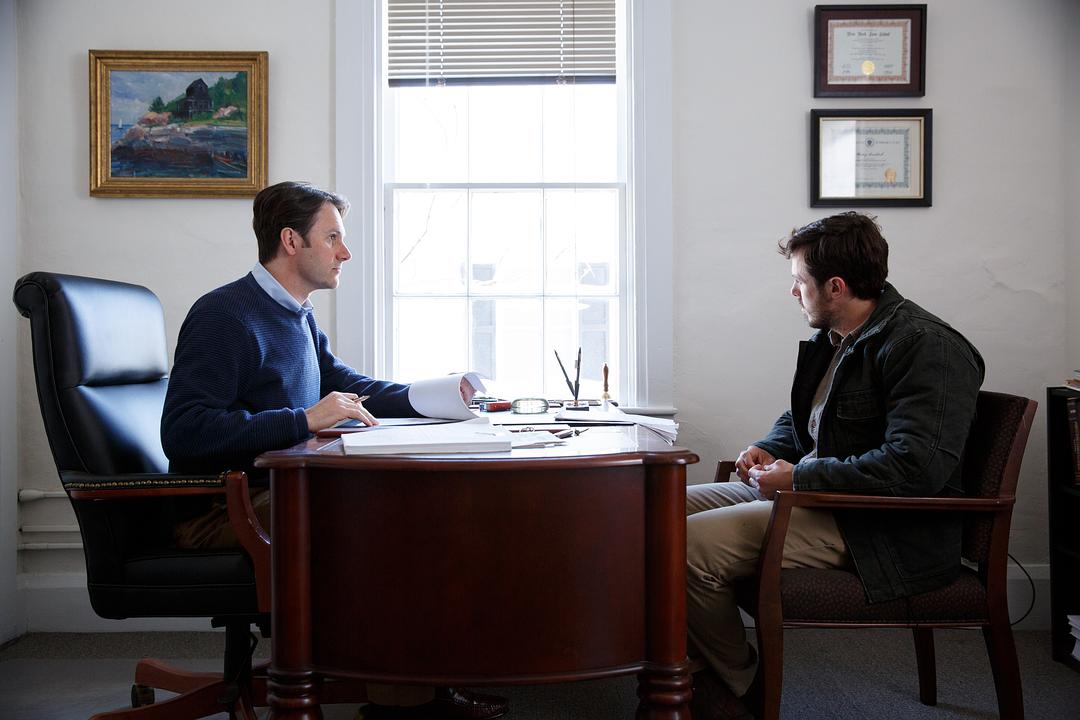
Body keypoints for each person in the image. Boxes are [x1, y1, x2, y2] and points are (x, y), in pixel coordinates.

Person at [161, 180, 507, 720]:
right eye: (332, 238)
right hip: (223, 505)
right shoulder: (224, 315)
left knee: (424, 505)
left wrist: (441, 396)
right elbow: (185, 432)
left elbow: (345, 386)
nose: (345, 252)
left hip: (281, 488)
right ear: (291, 241)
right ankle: (402, 705)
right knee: (387, 520)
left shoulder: (295, 311)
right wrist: (302, 419)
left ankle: (424, 682)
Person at [685, 212, 984, 720]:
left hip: (880, 528)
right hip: (822, 498)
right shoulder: (838, 337)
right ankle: (689, 667)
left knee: (688, 547)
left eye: (799, 281)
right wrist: (767, 448)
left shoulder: (925, 346)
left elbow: (917, 467)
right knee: (659, 511)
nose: (793, 292)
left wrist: (799, 476)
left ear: (836, 287)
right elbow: (806, 420)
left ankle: (739, 688)